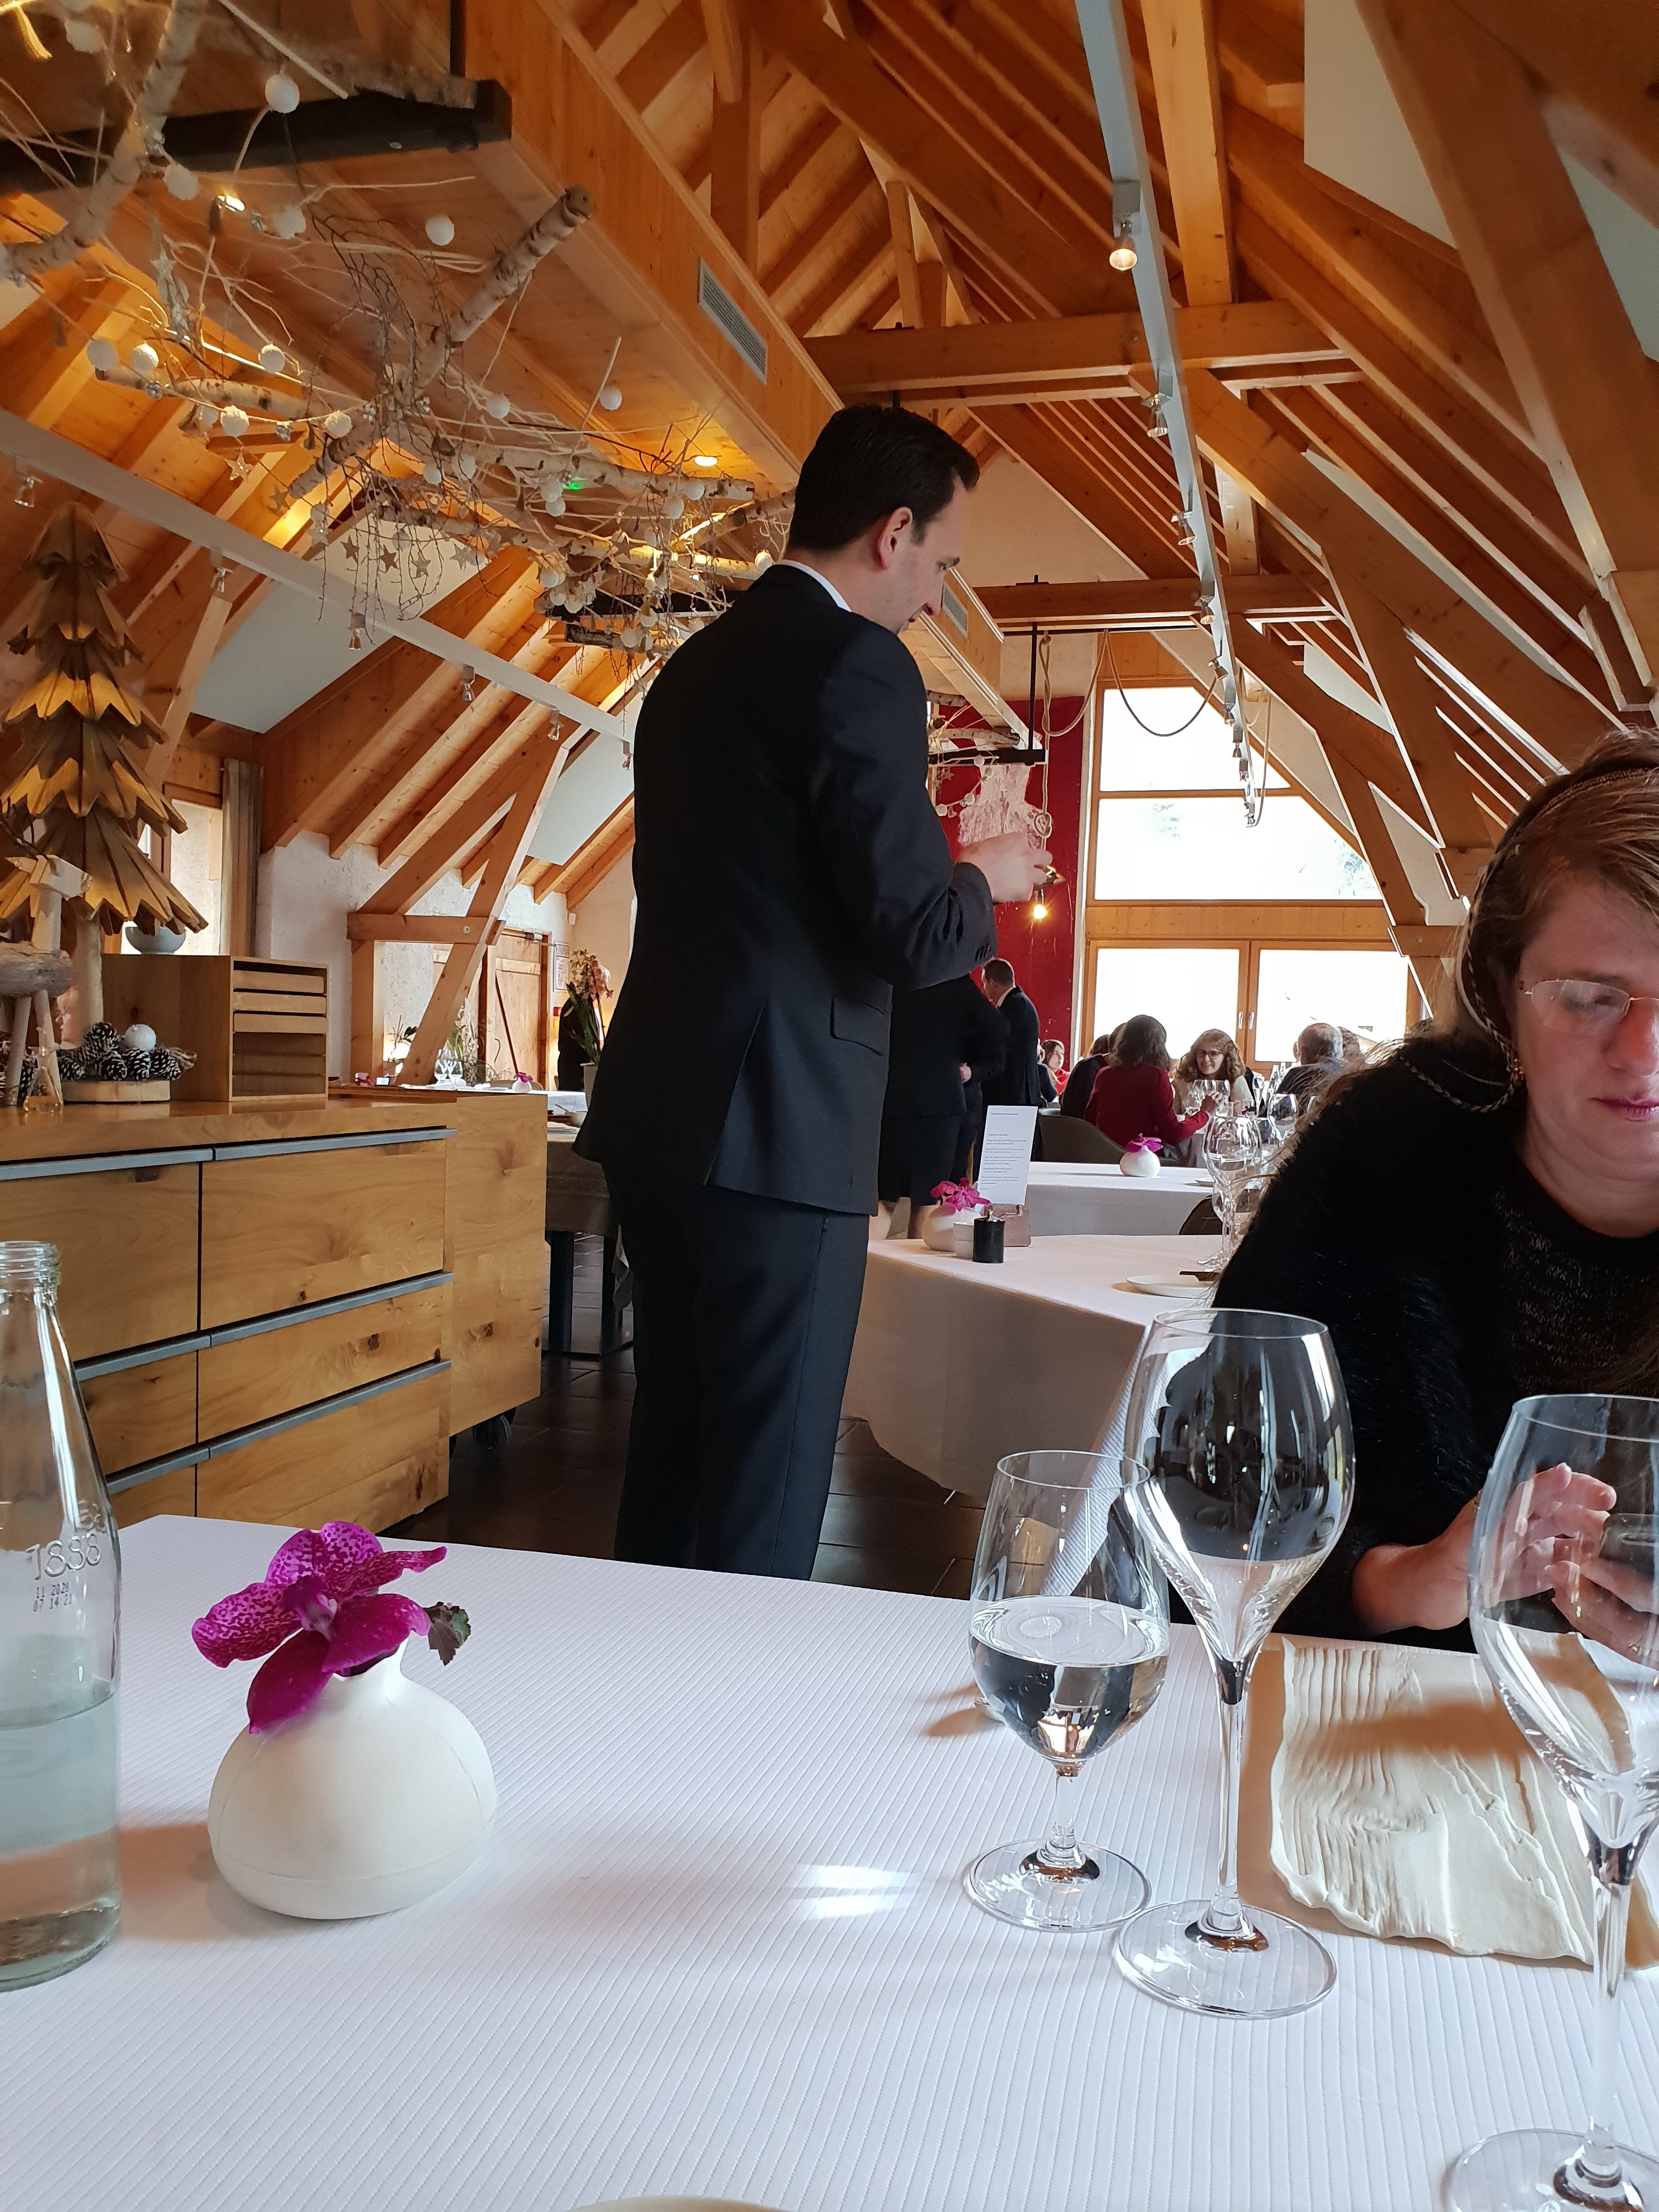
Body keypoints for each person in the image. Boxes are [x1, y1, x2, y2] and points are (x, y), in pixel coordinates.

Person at [578, 404, 1049, 1580]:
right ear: (892, 534)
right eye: (940, 563)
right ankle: (750, 1701)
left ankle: (632, 1682)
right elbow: (911, 933)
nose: (935, 596)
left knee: (674, 1451)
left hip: (658, 1111)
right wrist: (982, 878)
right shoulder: (859, 663)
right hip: (780, 1127)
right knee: (771, 1475)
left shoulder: (689, 669)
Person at [1218, 735, 1659, 1646]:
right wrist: (1406, 1582)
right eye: (1590, 996)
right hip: (1370, 1711)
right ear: (1500, 990)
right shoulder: (1384, 1160)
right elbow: (1217, 1504)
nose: (1642, 1053)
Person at [879, 976, 1006, 1232]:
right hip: (941, 1100)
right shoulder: (955, 982)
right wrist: (961, 1054)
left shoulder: (891, 976)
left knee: (883, 1198)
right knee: (927, 1199)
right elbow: (999, 1028)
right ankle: (912, 1260)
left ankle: (866, 1258)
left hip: (889, 1095)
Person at [1085, 1013, 1209, 1152]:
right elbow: (1174, 1135)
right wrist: (1204, 1114)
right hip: (1140, 1156)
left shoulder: (1104, 1074)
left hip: (1104, 1153)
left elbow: (1090, 1119)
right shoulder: (1156, 1076)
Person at [981, 958, 1041, 1107]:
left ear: (992, 983)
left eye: (984, 983)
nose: (984, 989)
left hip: (1015, 1093)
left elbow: (999, 1044)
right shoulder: (1019, 1002)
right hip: (1018, 1092)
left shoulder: (1015, 1005)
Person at [1173, 1028, 1254, 1116]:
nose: (1206, 1059)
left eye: (1213, 1054)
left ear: (1226, 1057)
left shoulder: (1236, 1080)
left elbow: (1247, 1116)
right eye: (1201, 1053)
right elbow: (1172, 1116)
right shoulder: (1183, 1081)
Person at [1276, 1019, 1345, 1103]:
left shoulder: (1300, 1074)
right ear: (1340, 1050)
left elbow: (1275, 1107)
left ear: (1304, 1053)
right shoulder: (1352, 1074)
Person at [1060, 1033, 1113, 1118]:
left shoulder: (1087, 1065)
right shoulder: (1091, 1068)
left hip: (1074, 1121)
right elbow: (1087, 1108)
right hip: (1080, 1123)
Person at [1036, 1038, 1065, 1107]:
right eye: (1055, 1054)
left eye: (1062, 1054)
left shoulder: (1068, 1076)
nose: (1060, 1058)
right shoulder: (1041, 1071)